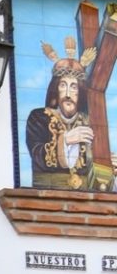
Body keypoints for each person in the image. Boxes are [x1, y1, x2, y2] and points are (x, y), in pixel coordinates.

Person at [26, 37, 97, 186]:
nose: (68, 94)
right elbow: (37, 154)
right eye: (63, 85)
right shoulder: (39, 118)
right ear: (55, 89)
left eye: (74, 87)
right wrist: (65, 140)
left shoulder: (90, 122)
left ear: (80, 92)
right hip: (47, 192)